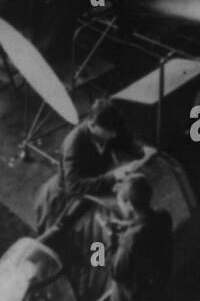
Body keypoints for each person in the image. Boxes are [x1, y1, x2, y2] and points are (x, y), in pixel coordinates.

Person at [35, 98, 138, 234]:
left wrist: (140, 152)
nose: (114, 135)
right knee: (60, 233)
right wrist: (112, 178)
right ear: (92, 125)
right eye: (109, 132)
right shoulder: (73, 145)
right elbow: (73, 186)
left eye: (115, 131)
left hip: (92, 184)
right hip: (64, 198)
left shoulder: (107, 129)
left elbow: (123, 139)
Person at [104, 174, 173, 301]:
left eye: (120, 202)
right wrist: (125, 224)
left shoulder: (131, 239)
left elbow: (114, 271)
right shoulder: (163, 216)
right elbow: (146, 221)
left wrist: (107, 239)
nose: (119, 205)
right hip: (156, 293)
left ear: (129, 205)